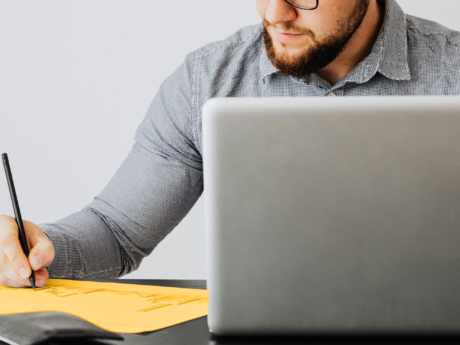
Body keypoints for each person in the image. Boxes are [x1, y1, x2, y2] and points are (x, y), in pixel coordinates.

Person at [1, 0, 460, 288]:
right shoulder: (207, 80)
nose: (275, 14)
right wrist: (33, 247)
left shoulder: (453, 69)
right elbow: (117, 234)